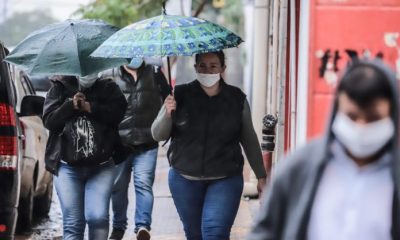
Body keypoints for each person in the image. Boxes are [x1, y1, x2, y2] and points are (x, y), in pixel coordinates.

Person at [248, 59, 400, 240]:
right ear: (336, 110)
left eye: (373, 117)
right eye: (351, 116)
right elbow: (265, 231)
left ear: (392, 115)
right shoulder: (300, 168)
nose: (361, 126)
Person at [151, 51, 267, 240]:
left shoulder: (236, 98)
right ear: (195, 67)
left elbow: (249, 139)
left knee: (215, 232)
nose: (208, 70)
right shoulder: (179, 94)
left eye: (213, 65)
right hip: (184, 179)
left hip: (225, 178)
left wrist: (261, 175)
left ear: (223, 68)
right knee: (194, 234)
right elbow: (157, 134)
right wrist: (167, 112)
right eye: (202, 66)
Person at [43, 74, 127, 240]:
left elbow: (118, 114)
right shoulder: (59, 89)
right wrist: (70, 106)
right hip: (67, 167)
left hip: (101, 166)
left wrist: (90, 107)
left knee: (97, 217)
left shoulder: (108, 88)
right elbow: (49, 121)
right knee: (73, 223)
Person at [104, 58, 171, 240]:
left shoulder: (155, 73)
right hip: (119, 144)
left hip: (147, 142)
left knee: (143, 184)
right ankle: (118, 227)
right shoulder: (110, 74)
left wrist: (170, 102)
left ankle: (142, 226)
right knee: (117, 187)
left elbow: (167, 98)